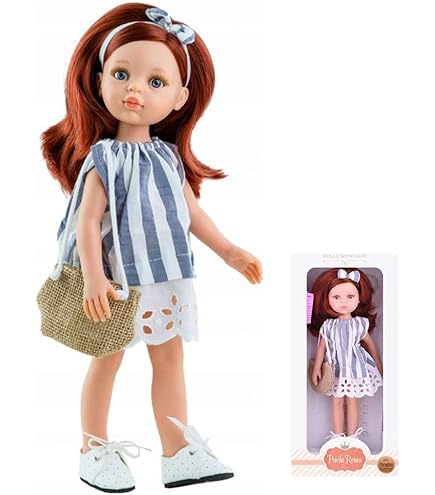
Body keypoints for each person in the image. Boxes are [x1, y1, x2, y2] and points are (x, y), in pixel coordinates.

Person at [41, 4, 263, 491]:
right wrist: (94, 277)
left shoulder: (168, 157)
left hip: (165, 276)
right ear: (100, 80)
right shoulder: (104, 157)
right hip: (117, 281)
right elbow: (87, 220)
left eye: (155, 82)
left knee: (170, 359)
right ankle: (92, 449)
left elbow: (192, 214)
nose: (135, 90)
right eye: (122, 74)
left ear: (181, 97)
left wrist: (229, 251)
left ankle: (178, 452)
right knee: (107, 357)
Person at [309, 268, 382, 438]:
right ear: (327, 299)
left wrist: (379, 365)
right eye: (336, 297)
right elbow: (322, 348)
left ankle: (352, 438)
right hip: (335, 369)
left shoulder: (359, 324)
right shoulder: (328, 325)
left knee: (353, 401)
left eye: (350, 296)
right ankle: (337, 437)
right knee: (336, 402)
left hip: (356, 368)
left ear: (359, 297)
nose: (344, 302)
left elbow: (370, 344)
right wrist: (317, 368)